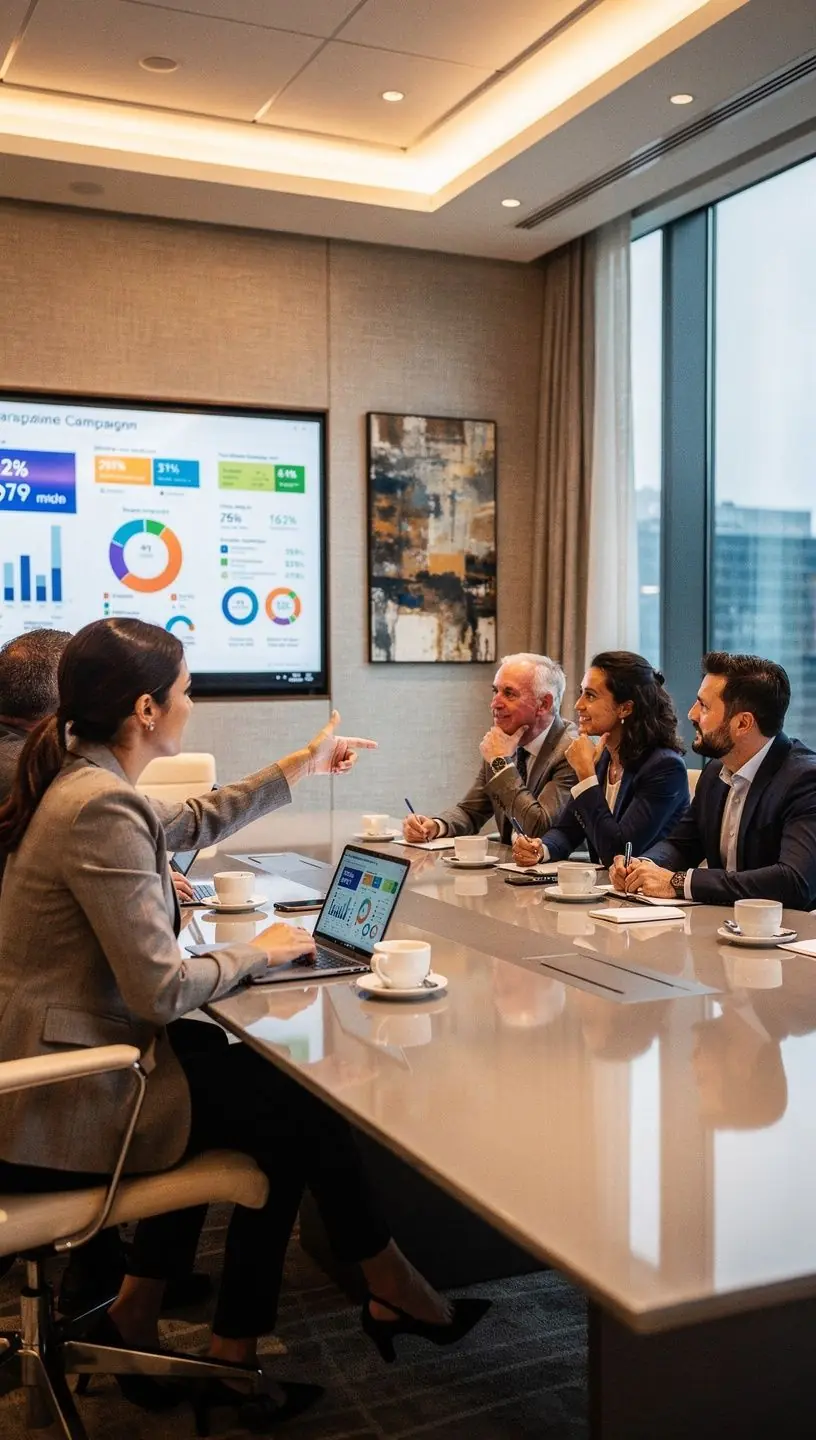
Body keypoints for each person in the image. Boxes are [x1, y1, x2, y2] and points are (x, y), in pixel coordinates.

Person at [0, 618, 488, 1426]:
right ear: (148, 710)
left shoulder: (76, 782)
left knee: (260, 1084)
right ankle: (360, 1295)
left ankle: (192, 1322)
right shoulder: (96, 805)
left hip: (55, 1072)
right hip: (58, 1111)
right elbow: (159, 991)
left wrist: (300, 764)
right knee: (293, 1106)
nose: (195, 701)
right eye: (188, 689)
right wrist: (260, 951)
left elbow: (190, 821)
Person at [612, 652, 816, 909]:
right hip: (721, 927)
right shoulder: (715, 772)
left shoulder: (805, 780)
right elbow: (681, 844)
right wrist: (643, 867)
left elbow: (794, 882)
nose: (691, 714)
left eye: (704, 706)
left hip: (786, 938)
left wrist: (679, 882)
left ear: (743, 723)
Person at [512, 652, 689, 870]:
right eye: (581, 693)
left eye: (591, 696)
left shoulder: (664, 768)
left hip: (650, 897)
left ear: (625, 708)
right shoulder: (603, 757)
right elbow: (567, 831)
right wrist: (541, 848)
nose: (578, 705)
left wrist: (586, 775)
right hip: (607, 892)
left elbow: (617, 852)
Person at [402, 652, 577, 844]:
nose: (494, 703)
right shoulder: (501, 743)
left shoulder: (570, 751)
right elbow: (470, 811)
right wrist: (435, 825)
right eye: (496, 691)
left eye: (509, 693)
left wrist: (501, 763)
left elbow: (537, 829)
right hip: (511, 866)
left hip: (557, 870)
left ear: (543, 704)